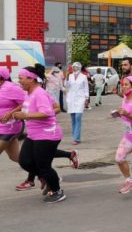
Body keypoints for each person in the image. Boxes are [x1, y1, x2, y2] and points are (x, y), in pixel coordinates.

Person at [12, 64, 67, 203]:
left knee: (43, 166)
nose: (19, 81)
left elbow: (46, 112)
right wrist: (13, 113)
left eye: (21, 78)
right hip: (34, 134)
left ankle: (56, 190)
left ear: (31, 79)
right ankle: (47, 177)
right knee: (25, 161)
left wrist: (24, 116)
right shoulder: (30, 93)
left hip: (47, 134)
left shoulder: (39, 93)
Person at [0, 68, 26, 182]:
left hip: (10, 127)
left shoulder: (12, 88)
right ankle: (46, 175)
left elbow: (25, 103)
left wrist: (10, 113)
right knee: (16, 157)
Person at [64, 62, 89, 145]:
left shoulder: (83, 77)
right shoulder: (70, 76)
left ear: (79, 67)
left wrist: (86, 98)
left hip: (80, 98)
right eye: (73, 67)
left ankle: (76, 139)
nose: (74, 68)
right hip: (71, 99)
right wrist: (67, 76)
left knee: (78, 118)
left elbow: (86, 88)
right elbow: (66, 86)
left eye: (75, 67)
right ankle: (75, 136)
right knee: (73, 119)